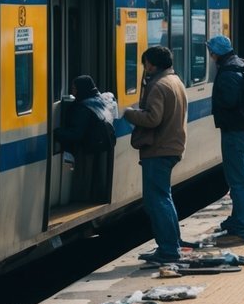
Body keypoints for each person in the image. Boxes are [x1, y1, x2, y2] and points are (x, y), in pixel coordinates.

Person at [123, 46, 188, 264]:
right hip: (170, 146)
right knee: (163, 198)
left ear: (152, 64)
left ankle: (168, 249)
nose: (144, 67)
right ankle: (172, 243)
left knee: (156, 200)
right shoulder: (175, 81)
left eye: (145, 63)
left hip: (159, 149)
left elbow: (153, 119)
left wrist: (128, 114)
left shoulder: (158, 86)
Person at [208, 35, 244, 246]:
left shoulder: (229, 71)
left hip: (234, 130)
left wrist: (217, 101)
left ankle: (241, 230)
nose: (210, 56)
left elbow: (229, 100)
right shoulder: (241, 64)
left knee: (237, 181)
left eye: (211, 51)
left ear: (216, 53)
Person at [54, 74, 116, 203]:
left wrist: (56, 133)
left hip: (86, 147)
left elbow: (76, 133)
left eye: (75, 88)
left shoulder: (82, 107)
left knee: (83, 176)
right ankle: (94, 197)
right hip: (99, 145)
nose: (72, 91)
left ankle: (81, 200)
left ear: (81, 88)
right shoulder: (100, 100)